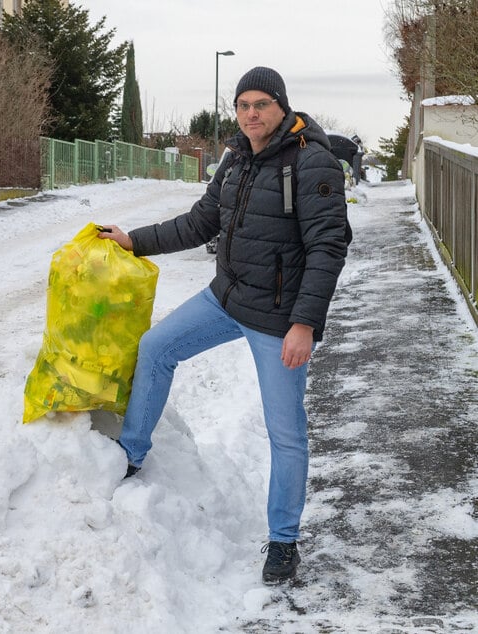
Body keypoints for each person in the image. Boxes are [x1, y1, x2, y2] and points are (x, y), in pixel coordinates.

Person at [98, 66, 349, 585]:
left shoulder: (313, 164)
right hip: (226, 298)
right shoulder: (235, 158)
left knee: (285, 431)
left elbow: (328, 247)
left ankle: (283, 541)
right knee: (157, 347)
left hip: (279, 319)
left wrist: (304, 323)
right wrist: (134, 240)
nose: (251, 113)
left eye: (261, 103)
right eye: (243, 105)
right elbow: (200, 221)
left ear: (281, 106)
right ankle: (130, 456)